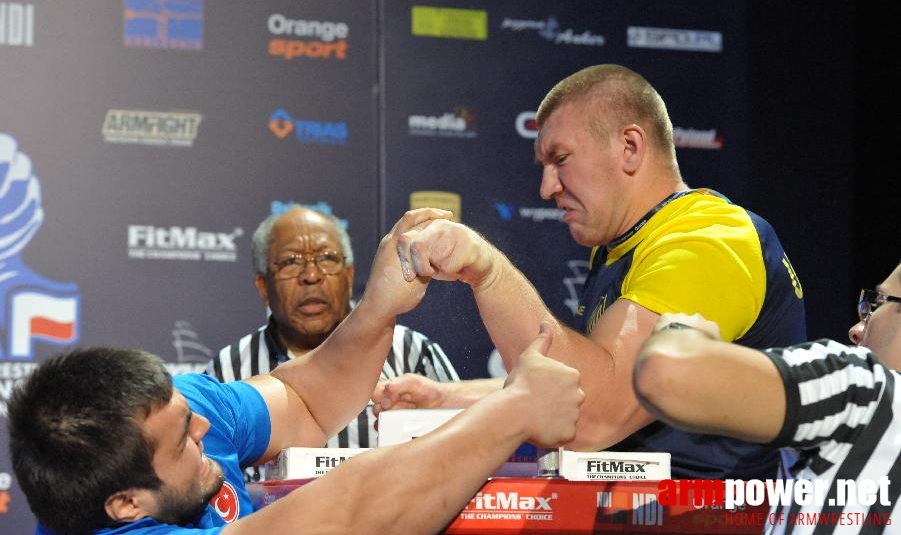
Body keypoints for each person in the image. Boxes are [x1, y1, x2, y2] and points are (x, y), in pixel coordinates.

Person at [7, 208, 585, 535]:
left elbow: (304, 400)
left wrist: (379, 305)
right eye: (182, 438)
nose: (202, 428)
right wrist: (513, 410)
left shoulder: (174, 410)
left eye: (188, 415)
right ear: (126, 505)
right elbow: (353, 514)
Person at [375, 63, 806, 480]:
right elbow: (575, 387)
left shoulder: (709, 240)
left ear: (630, 148)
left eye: (560, 159)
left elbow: (591, 418)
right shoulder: (624, 246)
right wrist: (449, 397)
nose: (547, 188)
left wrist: (488, 271)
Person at [632, 260, 901, 531]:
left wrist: (682, 330)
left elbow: (666, 374)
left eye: (876, 303)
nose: (855, 330)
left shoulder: (862, 386)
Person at [205, 205, 459, 456]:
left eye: (327, 258)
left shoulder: (411, 352)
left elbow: (463, 445)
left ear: (349, 277)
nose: (311, 275)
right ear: (263, 286)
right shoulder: (228, 371)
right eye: (291, 262)